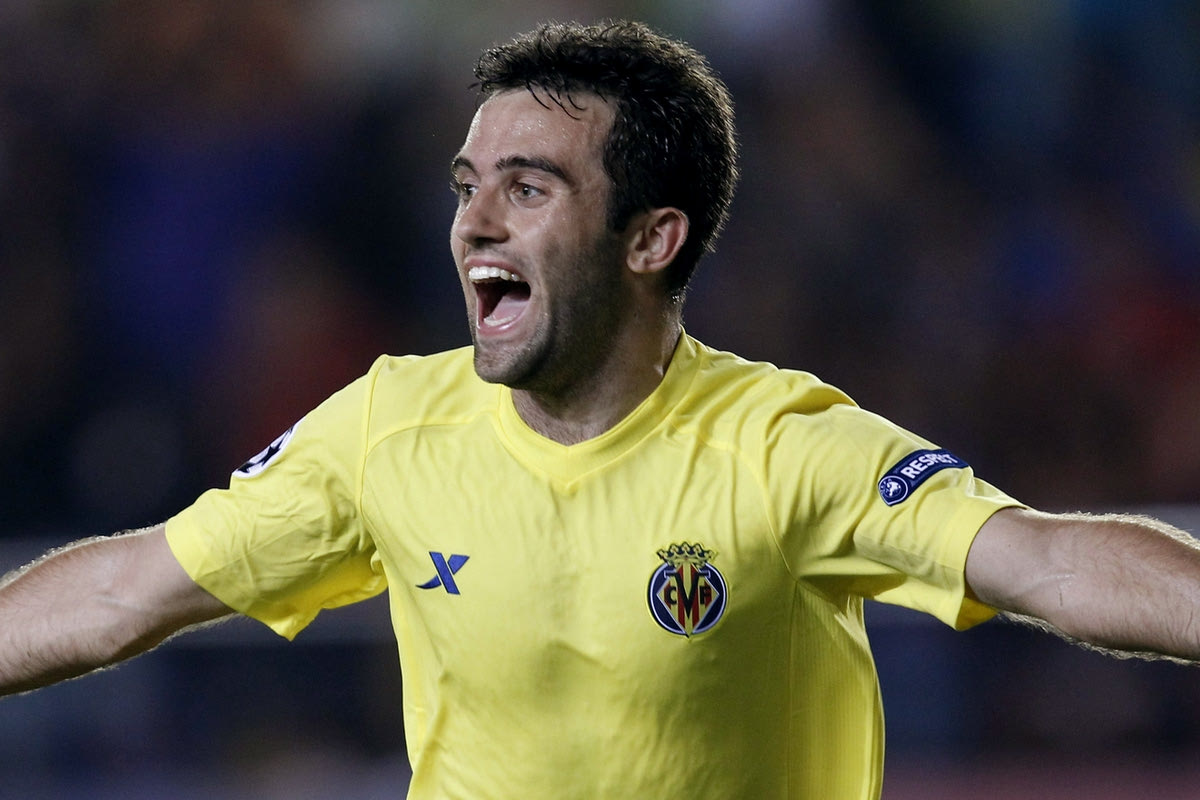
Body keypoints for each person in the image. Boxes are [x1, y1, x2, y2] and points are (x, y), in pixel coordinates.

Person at [1, 19, 1199, 800]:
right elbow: (124, 589)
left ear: (651, 238)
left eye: (528, 188)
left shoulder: (777, 445)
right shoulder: (385, 430)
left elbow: (1048, 559)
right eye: (468, 186)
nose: (474, 223)